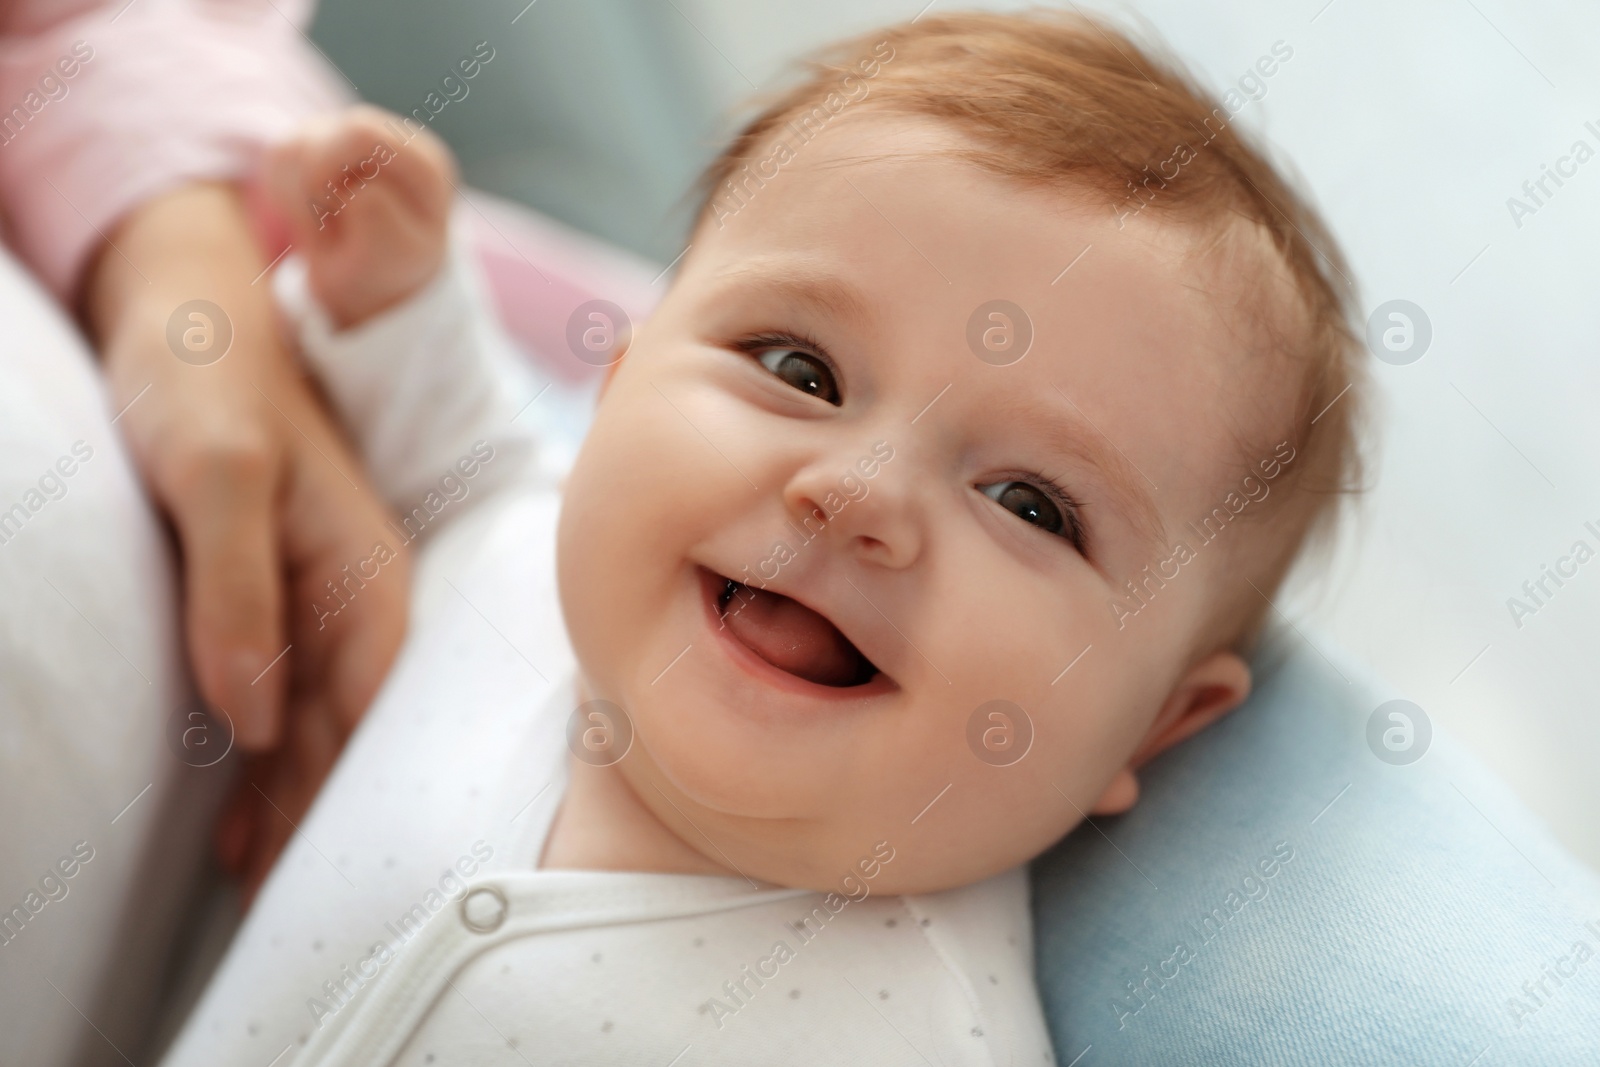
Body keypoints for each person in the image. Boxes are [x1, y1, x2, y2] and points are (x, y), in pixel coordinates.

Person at [161, 11, 1369, 1063]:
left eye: (1030, 504)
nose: (857, 494)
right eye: (800, 368)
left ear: (1156, 719)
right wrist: (402, 302)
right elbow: (467, 456)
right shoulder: (522, 554)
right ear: (619, 380)